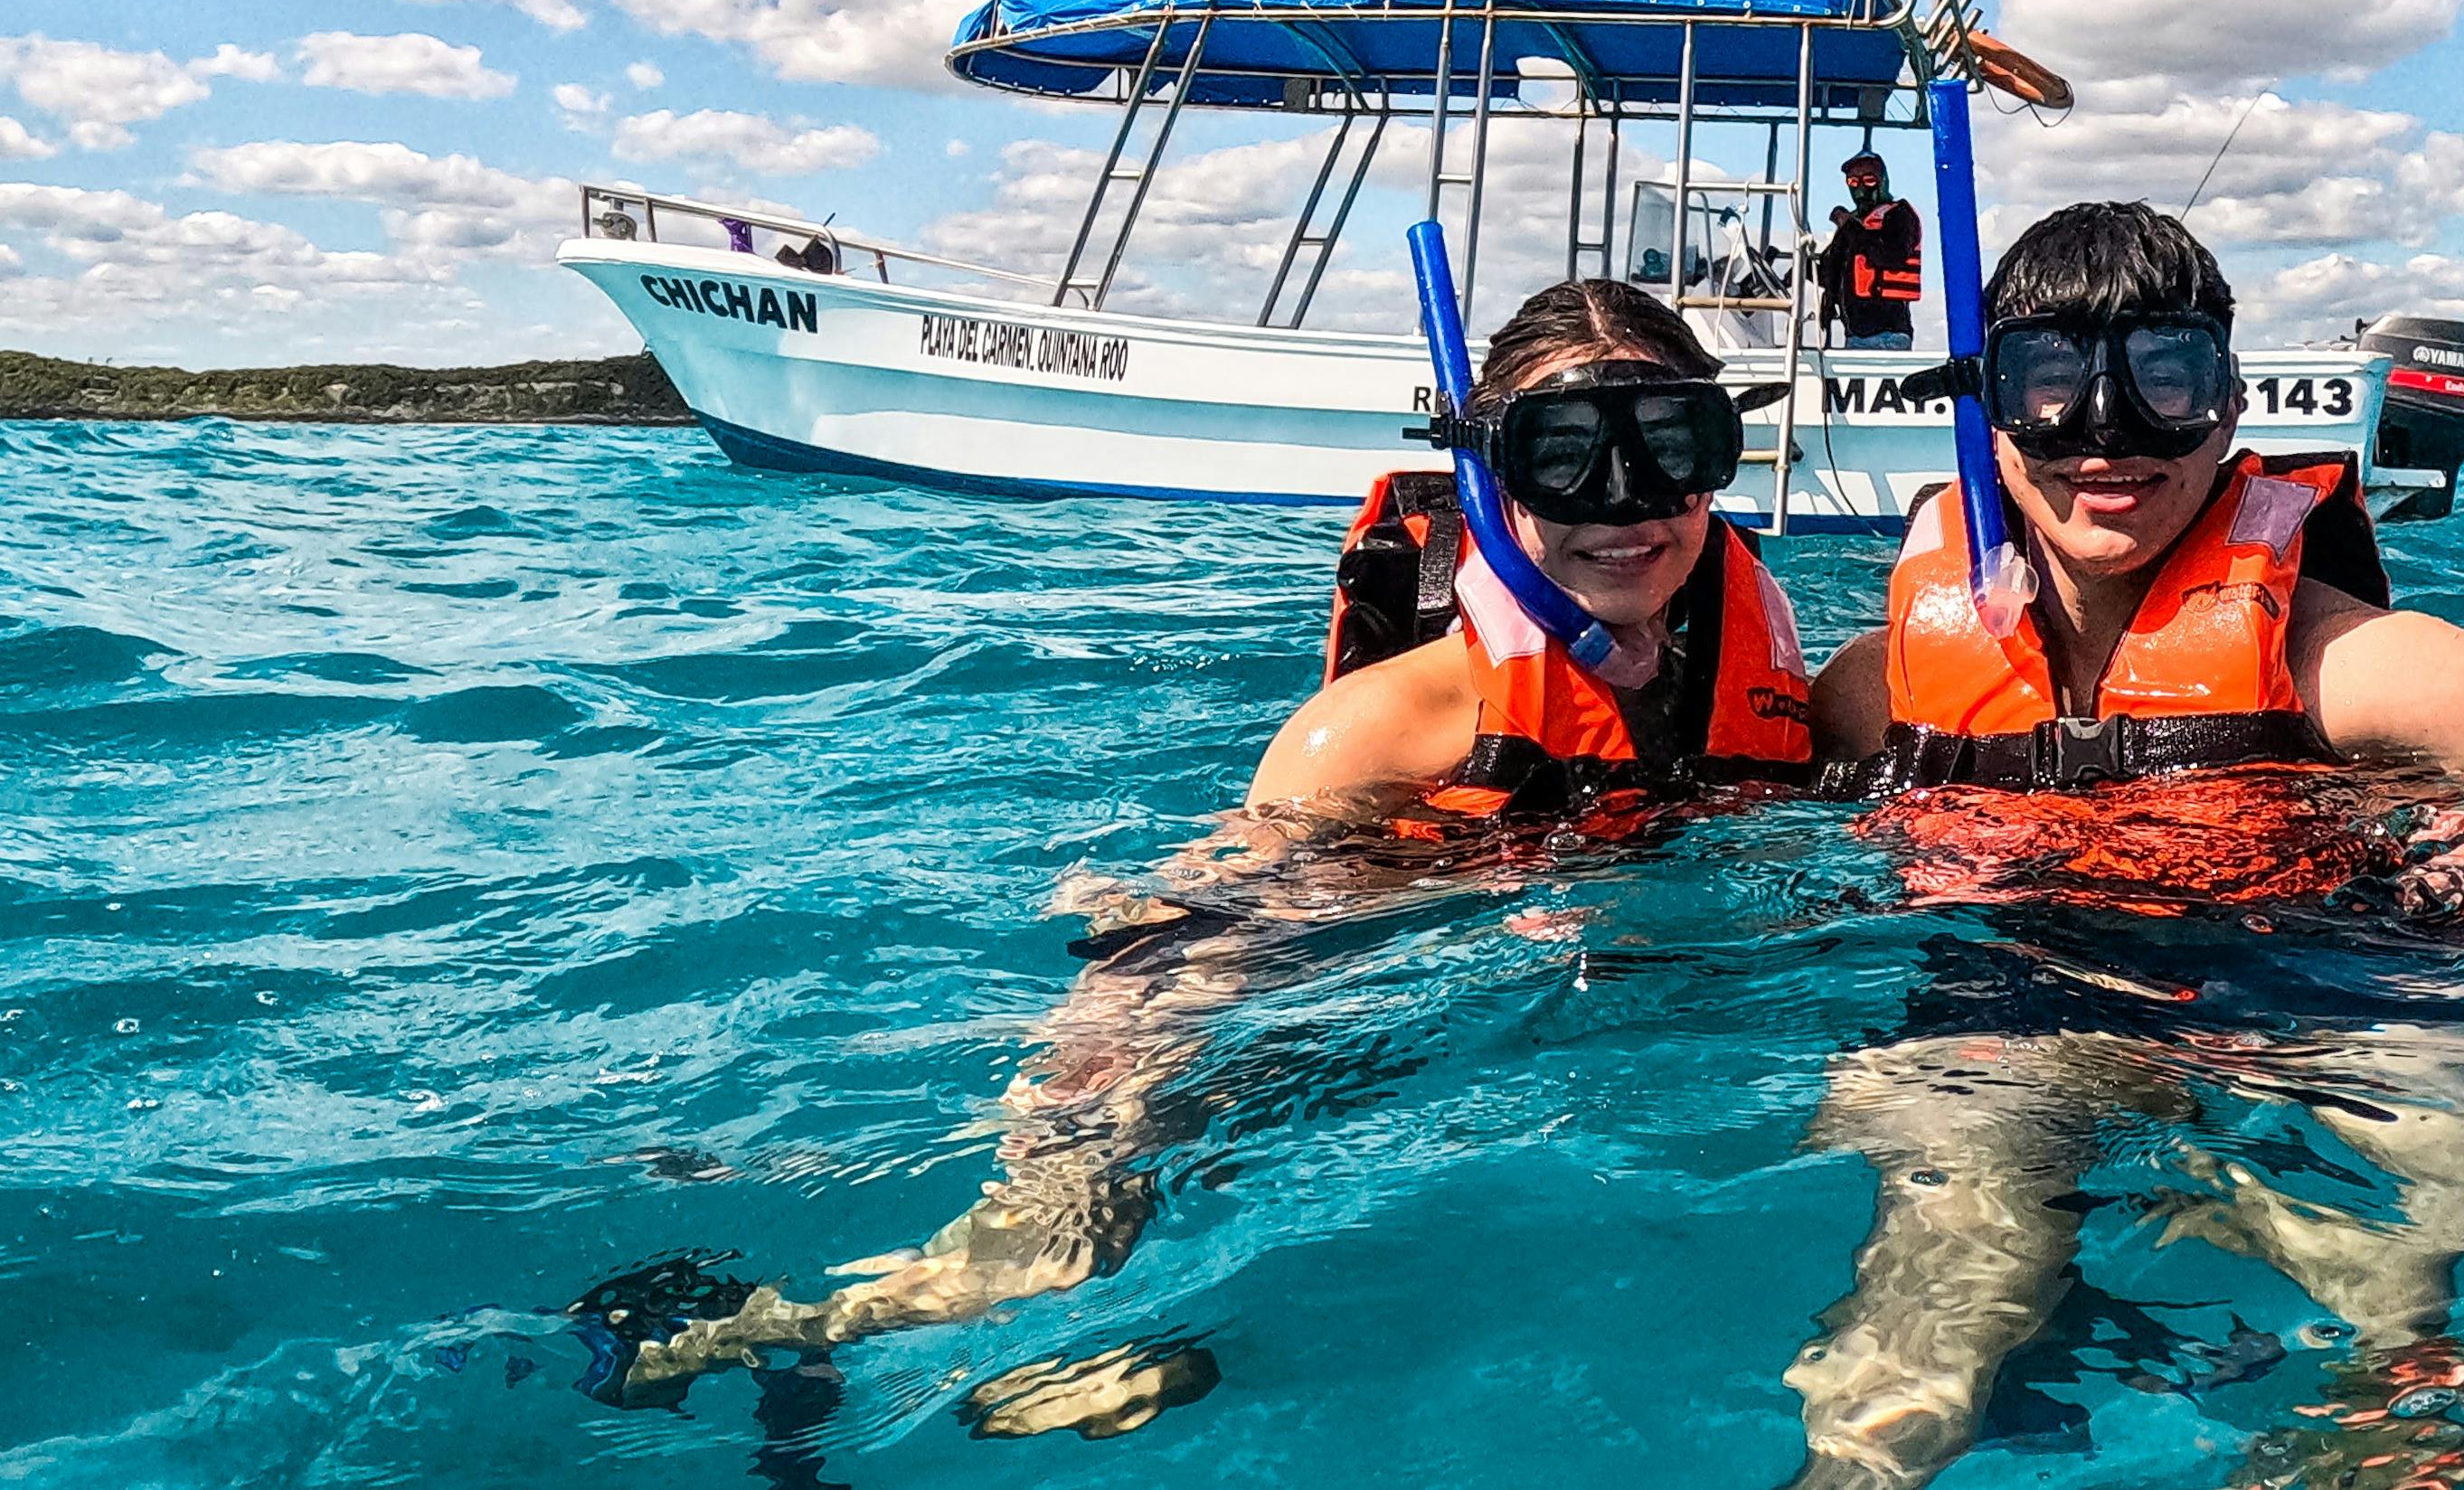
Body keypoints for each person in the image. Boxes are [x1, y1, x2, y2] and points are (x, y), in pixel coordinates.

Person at [595, 278, 1814, 1431]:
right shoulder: (1384, 726)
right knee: (1066, 1237)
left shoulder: (1763, 674)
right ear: (1491, 469)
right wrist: (1083, 1128)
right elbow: (1185, 937)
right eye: (1564, 453)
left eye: (1673, 443)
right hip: (1335, 991)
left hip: (1540, 1012)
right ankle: (753, 1328)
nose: (1629, 499)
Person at [1785, 201, 2464, 1488]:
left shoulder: (2383, 671)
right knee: (1926, 1311)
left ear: (2228, 399)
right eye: (2051, 380)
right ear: (1987, 406)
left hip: (2314, 990)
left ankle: (2386, 1415)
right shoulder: (1876, 690)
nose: (2109, 434)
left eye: (2163, 378)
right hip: (2008, 1007)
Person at [1817, 153, 1923, 350]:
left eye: (1868, 179)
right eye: (1853, 181)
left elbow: (1892, 256)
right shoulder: (1854, 225)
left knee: (1888, 381)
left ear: (1882, 181)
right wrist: (1795, 270)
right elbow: (1830, 270)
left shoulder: (1899, 214)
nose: (1860, 187)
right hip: (1856, 335)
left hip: (1889, 335)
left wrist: (1850, 227)